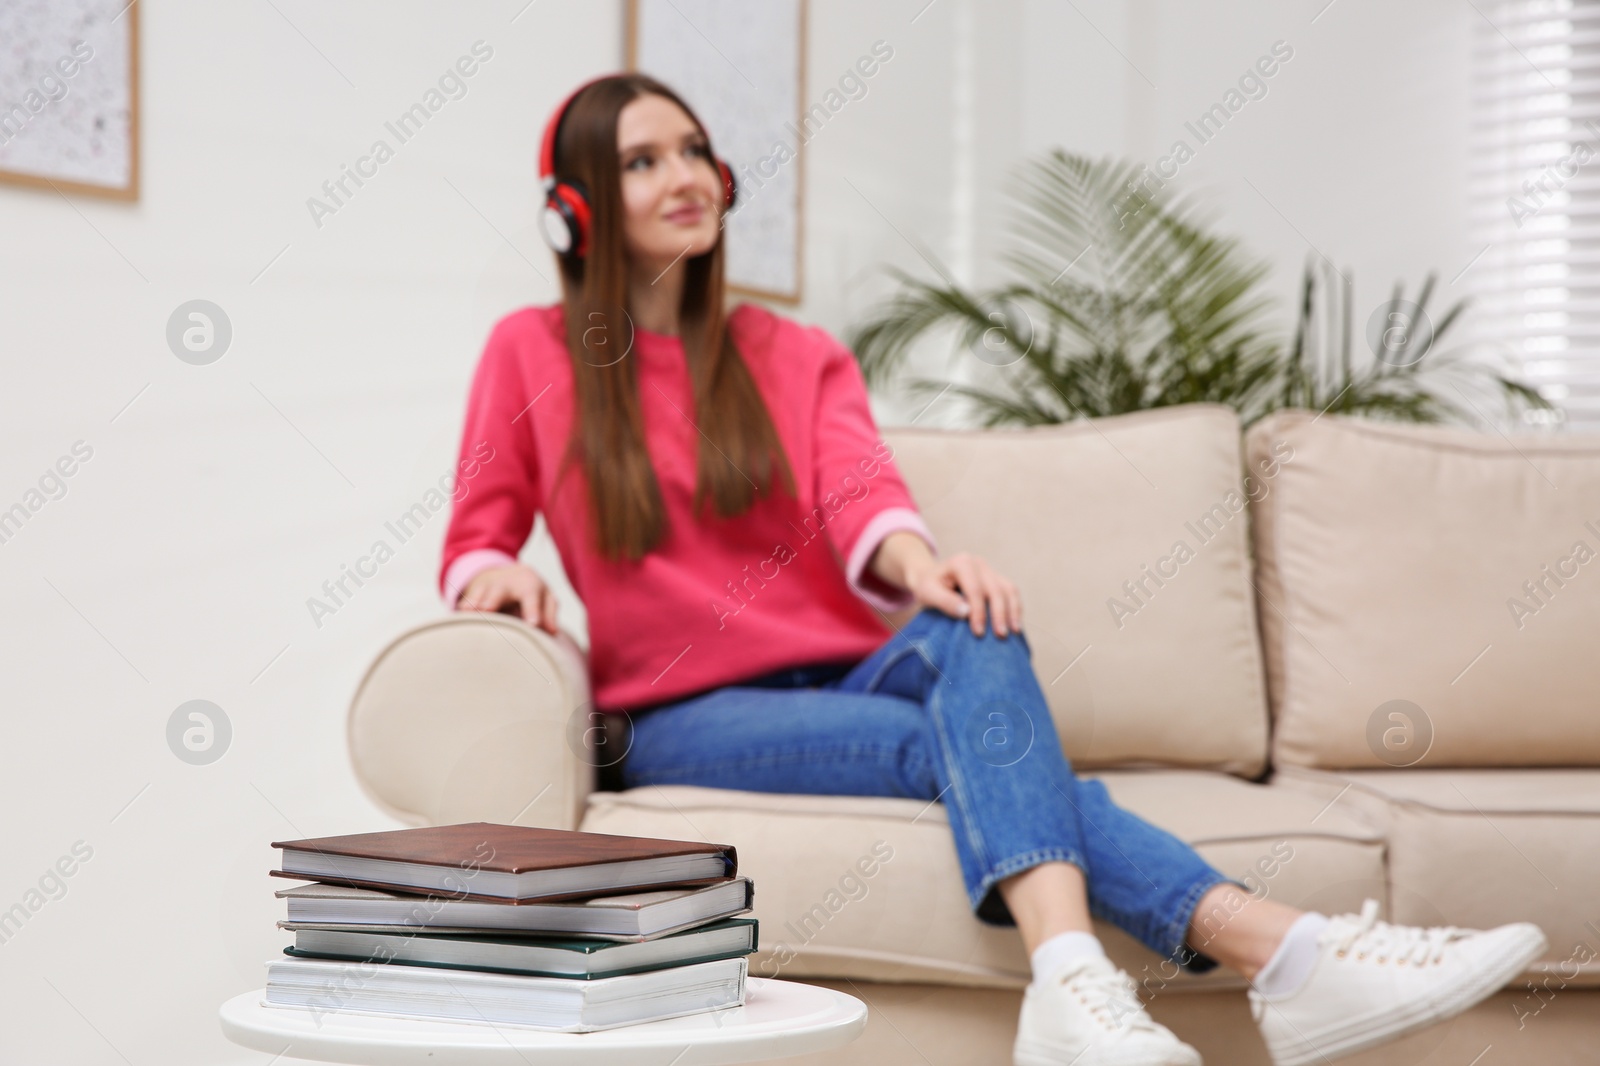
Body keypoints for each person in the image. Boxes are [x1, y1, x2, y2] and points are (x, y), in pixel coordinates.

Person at [438, 72, 1547, 1066]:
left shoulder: (795, 353)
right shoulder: (528, 353)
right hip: (677, 709)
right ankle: (1281, 952)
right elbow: (476, 533)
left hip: (844, 676)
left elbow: (858, 487)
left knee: (977, 630)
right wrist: (499, 577)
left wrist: (924, 565)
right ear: (573, 207)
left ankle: (1076, 984)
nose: (687, 175)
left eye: (693, 151)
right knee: (956, 743)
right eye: (642, 160)